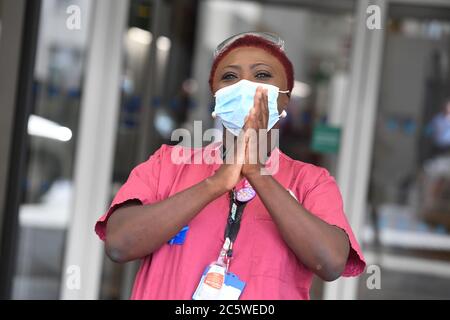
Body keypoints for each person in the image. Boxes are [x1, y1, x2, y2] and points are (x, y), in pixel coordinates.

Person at [95, 32, 365, 300]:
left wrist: (258, 174)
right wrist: (215, 184)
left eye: (262, 75)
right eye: (230, 77)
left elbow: (329, 263)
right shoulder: (167, 164)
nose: (245, 86)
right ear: (216, 95)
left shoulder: (311, 182)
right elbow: (120, 245)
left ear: (285, 98)